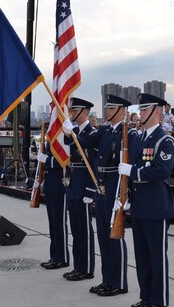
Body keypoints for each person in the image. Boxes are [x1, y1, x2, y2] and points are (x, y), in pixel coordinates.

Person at [64, 94, 134, 296]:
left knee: (115, 235)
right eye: (107, 108)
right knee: (103, 236)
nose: (107, 111)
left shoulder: (127, 133)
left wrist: (125, 195)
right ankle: (107, 280)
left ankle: (119, 282)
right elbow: (83, 143)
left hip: (116, 188)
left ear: (122, 110)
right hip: (102, 186)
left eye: (111, 108)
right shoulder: (104, 131)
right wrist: (71, 133)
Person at [118, 93, 174, 307]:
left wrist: (133, 172)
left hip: (156, 205)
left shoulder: (165, 139)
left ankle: (159, 300)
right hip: (140, 205)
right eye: (140, 110)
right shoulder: (140, 138)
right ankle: (145, 296)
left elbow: (162, 170)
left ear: (157, 112)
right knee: (142, 255)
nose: (140, 113)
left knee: (156, 255)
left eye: (144, 109)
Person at [62, 97, 97, 282]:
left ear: (85, 111)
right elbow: (69, 146)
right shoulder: (76, 132)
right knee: (76, 230)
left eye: (75, 110)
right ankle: (78, 266)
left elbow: (93, 163)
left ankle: (88, 268)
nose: (72, 113)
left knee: (85, 231)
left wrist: (91, 191)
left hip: (84, 187)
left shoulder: (92, 133)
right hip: (74, 185)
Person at [38, 144, 70, 270]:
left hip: (59, 186)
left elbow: (63, 159)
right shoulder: (52, 137)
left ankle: (62, 258)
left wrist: (45, 159)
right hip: (51, 185)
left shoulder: (61, 136)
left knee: (59, 224)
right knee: (53, 224)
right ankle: (55, 256)